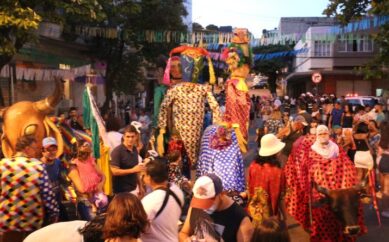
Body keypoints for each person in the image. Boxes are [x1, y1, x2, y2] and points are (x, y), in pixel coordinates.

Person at [0, 135, 59, 242]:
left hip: (7, 220)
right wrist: (54, 213)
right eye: (35, 148)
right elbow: (47, 194)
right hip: (31, 220)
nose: (36, 151)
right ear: (27, 149)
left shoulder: (3, 165)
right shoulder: (37, 167)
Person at [179, 174, 253, 242]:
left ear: (221, 194)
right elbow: (183, 233)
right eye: (199, 201)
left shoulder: (241, 219)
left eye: (207, 203)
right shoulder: (196, 206)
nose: (202, 207)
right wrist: (186, 240)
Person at [246, 134, 286, 226]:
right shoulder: (278, 172)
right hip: (270, 217)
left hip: (253, 212)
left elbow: (249, 188)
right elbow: (281, 198)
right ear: (275, 152)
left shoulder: (253, 165)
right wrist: (284, 217)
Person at [141, 158, 184, 242]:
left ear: (149, 178)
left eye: (144, 175)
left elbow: (139, 226)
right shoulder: (177, 192)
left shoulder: (149, 201)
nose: (142, 178)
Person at [68, 140, 106, 221]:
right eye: (84, 146)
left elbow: (103, 175)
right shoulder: (73, 166)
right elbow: (82, 189)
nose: (87, 147)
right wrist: (93, 204)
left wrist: (101, 184)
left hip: (98, 199)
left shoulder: (91, 160)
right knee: (92, 227)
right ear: (77, 150)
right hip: (86, 203)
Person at [110, 125, 146, 195]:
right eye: (128, 136)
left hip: (134, 189)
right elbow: (114, 171)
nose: (130, 139)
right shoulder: (117, 151)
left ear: (136, 137)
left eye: (132, 136)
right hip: (121, 192)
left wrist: (140, 186)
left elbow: (137, 170)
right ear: (123, 137)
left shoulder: (135, 149)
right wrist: (132, 170)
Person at [41, 137, 68, 222]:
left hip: (57, 202)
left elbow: (63, 180)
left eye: (54, 149)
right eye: (48, 149)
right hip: (44, 206)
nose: (51, 152)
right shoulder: (38, 166)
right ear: (43, 151)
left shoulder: (58, 162)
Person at [378, 122, 389, 217]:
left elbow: (379, 153)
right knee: (386, 189)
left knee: (384, 188)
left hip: (383, 160)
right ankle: (386, 210)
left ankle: (385, 209)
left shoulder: (383, 138)